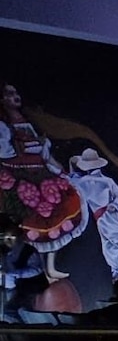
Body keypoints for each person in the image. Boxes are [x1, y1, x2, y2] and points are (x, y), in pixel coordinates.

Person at [0, 82, 88, 280]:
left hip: (42, 175)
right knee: (30, 224)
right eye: (9, 93)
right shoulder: (4, 127)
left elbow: (45, 155)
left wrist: (61, 172)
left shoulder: (28, 122)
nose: (15, 96)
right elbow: (5, 153)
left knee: (58, 216)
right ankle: (15, 271)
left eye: (15, 92)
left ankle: (49, 267)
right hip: (21, 178)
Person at [67, 148, 118, 281]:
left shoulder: (88, 181)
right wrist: (116, 205)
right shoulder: (101, 181)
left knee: (114, 238)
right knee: (109, 246)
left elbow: (71, 180)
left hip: (105, 213)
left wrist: (115, 205)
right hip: (104, 214)